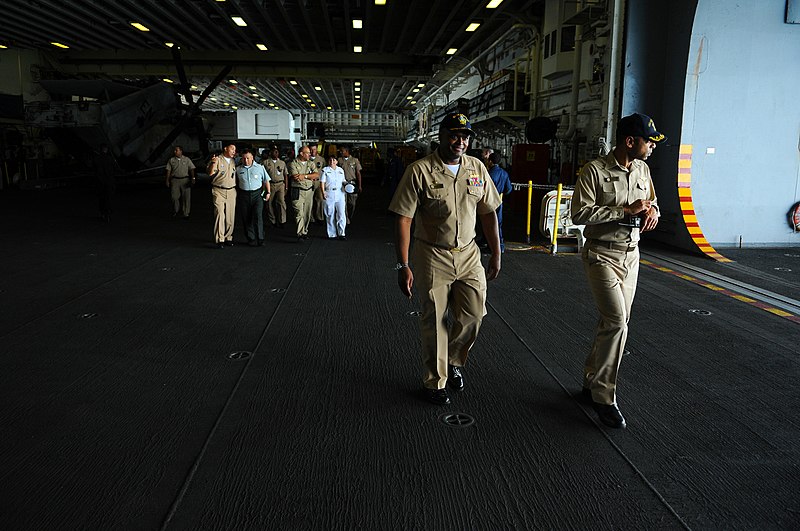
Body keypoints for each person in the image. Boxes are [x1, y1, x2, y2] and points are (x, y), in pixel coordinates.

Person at [389, 113, 502, 406]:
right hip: (431, 255)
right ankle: (434, 381)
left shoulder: (476, 168)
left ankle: (452, 360)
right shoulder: (420, 171)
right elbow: (403, 219)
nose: (460, 142)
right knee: (435, 320)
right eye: (454, 135)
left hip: (469, 254)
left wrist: (497, 253)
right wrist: (403, 265)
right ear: (441, 135)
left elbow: (489, 213)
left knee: (474, 315)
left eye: (465, 136)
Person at [570, 112, 666, 429]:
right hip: (601, 254)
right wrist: (623, 210)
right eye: (648, 141)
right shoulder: (594, 172)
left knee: (611, 322)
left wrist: (653, 212)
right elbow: (579, 213)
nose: (652, 146)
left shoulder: (642, 169)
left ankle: (590, 380)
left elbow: (652, 202)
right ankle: (604, 396)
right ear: (630, 141)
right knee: (617, 321)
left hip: (631, 255)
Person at [236, 148, 270, 246]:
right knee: (246, 217)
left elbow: (266, 180)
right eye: (244, 158)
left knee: (258, 216)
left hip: (257, 195)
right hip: (244, 195)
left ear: (252, 158)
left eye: (248, 158)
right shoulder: (238, 169)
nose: (246, 160)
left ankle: (260, 238)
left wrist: (268, 192)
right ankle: (251, 238)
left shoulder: (259, 167)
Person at [206, 142, 238, 249]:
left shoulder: (234, 161)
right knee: (220, 214)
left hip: (231, 191)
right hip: (218, 190)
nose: (234, 151)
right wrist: (212, 163)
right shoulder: (217, 159)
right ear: (225, 148)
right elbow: (210, 173)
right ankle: (220, 239)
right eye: (232, 148)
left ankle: (228, 237)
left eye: (235, 149)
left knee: (230, 216)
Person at [288, 145, 319, 240]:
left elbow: (316, 175)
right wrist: (310, 176)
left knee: (307, 213)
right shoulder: (293, 163)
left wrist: (304, 176)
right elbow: (296, 177)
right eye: (307, 153)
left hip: (309, 191)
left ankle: (304, 231)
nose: (310, 154)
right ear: (301, 153)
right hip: (297, 191)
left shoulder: (311, 163)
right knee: (298, 212)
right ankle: (300, 233)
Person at [487, 152, 513, 253]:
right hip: (499, 201)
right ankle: (500, 246)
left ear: (490, 161)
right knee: (498, 223)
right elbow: (509, 189)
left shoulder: (488, 174)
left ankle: (492, 247)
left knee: (489, 224)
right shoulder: (504, 173)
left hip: (489, 201)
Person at [320, 154, 347, 240]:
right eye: (330, 160)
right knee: (329, 214)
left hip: (340, 193)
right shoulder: (325, 170)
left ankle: (342, 233)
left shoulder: (340, 170)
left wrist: (348, 186)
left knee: (341, 214)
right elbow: (322, 182)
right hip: (329, 193)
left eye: (334, 160)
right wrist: (323, 192)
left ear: (336, 161)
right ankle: (332, 234)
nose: (332, 162)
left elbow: (343, 181)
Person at [165, 145, 196, 219]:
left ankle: (186, 213)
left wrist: (193, 178)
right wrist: (167, 180)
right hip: (175, 180)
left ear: (181, 151)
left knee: (186, 197)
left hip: (185, 179)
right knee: (174, 197)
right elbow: (168, 170)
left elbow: (192, 168)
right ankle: (176, 210)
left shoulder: (187, 159)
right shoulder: (171, 160)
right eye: (175, 150)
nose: (175, 151)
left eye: (176, 150)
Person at [263, 145, 288, 228]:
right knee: (269, 203)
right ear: (271, 152)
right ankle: (272, 220)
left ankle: (282, 221)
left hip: (280, 184)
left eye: (277, 151)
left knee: (281, 202)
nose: (276, 153)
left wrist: (286, 187)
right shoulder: (266, 162)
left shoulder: (282, 163)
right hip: (270, 184)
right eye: (274, 151)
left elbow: (285, 175)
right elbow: (262, 175)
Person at [92, 144, 118, 222]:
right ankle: (108, 213)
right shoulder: (110, 159)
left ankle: (103, 213)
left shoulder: (96, 159)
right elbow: (115, 169)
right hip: (109, 182)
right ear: (106, 150)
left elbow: (94, 171)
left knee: (101, 198)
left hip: (100, 182)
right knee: (108, 198)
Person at [337, 146, 362, 224]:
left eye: (342, 151)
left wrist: (360, 185)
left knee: (352, 203)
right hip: (342, 183)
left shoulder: (355, 160)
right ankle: (346, 218)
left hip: (352, 183)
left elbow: (358, 173)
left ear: (347, 151)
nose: (341, 152)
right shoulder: (339, 160)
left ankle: (350, 216)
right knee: (343, 202)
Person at [309, 144, 326, 224]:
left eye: (314, 149)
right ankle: (311, 218)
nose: (313, 151)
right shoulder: (306, 159)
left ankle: (320, 217)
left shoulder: (321, 159)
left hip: (319, 183)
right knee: (310, 201)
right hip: (309, 182)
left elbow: (325, 171)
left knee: (320, 200)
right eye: (311, 150)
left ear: (317, 150)